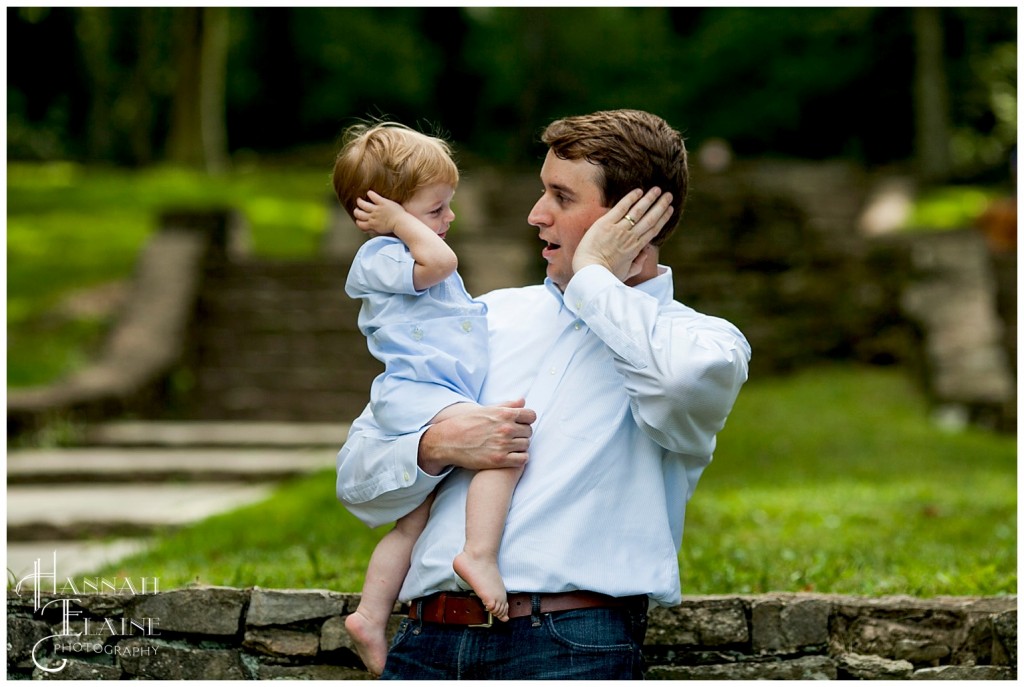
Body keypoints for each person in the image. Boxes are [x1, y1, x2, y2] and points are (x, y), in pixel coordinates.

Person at [336, 109, 751, 680]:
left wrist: (593, 275)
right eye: (541, 192)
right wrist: (435, 446)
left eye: (560, 196)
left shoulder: (703, 343)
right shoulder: (481, 318)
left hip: (571, 646)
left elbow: (677, 387)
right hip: (425, 640)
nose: (536, 215)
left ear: (633, 216)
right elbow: (356, 480)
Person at [333, 121, 523, 676]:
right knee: (501, 443)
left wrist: (411, 222)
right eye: (437, 209)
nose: (450, 219)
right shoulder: (381, 255)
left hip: (432, 394)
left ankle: (370, 614)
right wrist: (399, 225)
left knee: (412, 524)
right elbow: (441, 263)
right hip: (417, 393)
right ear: (386, 213)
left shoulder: (406, 251)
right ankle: (478, 555)